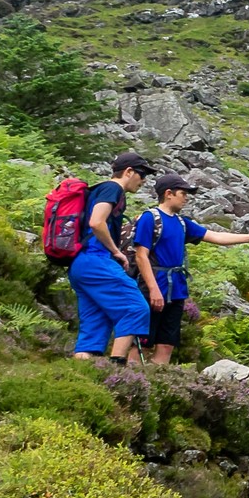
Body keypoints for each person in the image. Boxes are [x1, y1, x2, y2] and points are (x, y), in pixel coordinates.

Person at [131, 175, 249, 366]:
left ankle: (153, 381)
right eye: (183, 193)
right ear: (168, 194)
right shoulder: (150, 219)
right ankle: (132, 377)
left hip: (176, 290)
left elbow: (215, 236)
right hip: (154, 286)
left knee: (166, 344)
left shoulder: (182, 223)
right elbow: (141, 255)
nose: (187, 198)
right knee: (143, 342)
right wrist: (153, 289)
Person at [70, 153, 154, 364]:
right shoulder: (112, 188)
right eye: (142, 175)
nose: (143, 181)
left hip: (79, 264)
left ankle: (84, 374)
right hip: (96, 259)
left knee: (95, 325)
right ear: (128, 172)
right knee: (136, 308)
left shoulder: (97, 190)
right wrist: (116, 251)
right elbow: (96, 222)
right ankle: (117, 367)